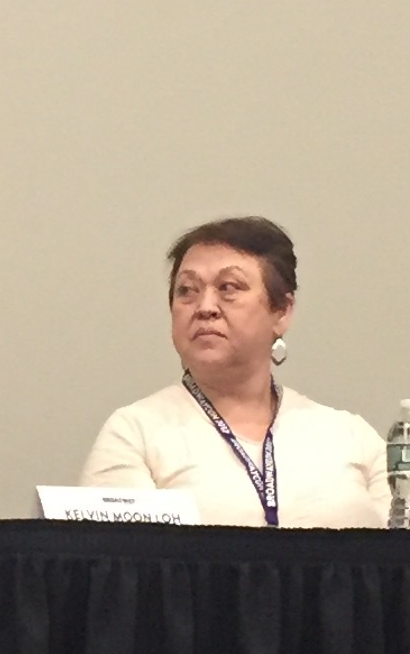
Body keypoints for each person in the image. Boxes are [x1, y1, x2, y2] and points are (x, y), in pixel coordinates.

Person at [78, 217, 387, 527]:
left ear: (281, 312)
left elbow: (406, 550)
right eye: (187, 290)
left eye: (228, 288)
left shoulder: (351, 437)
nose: (205, 307)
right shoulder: (134, 434)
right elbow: (122, 555)